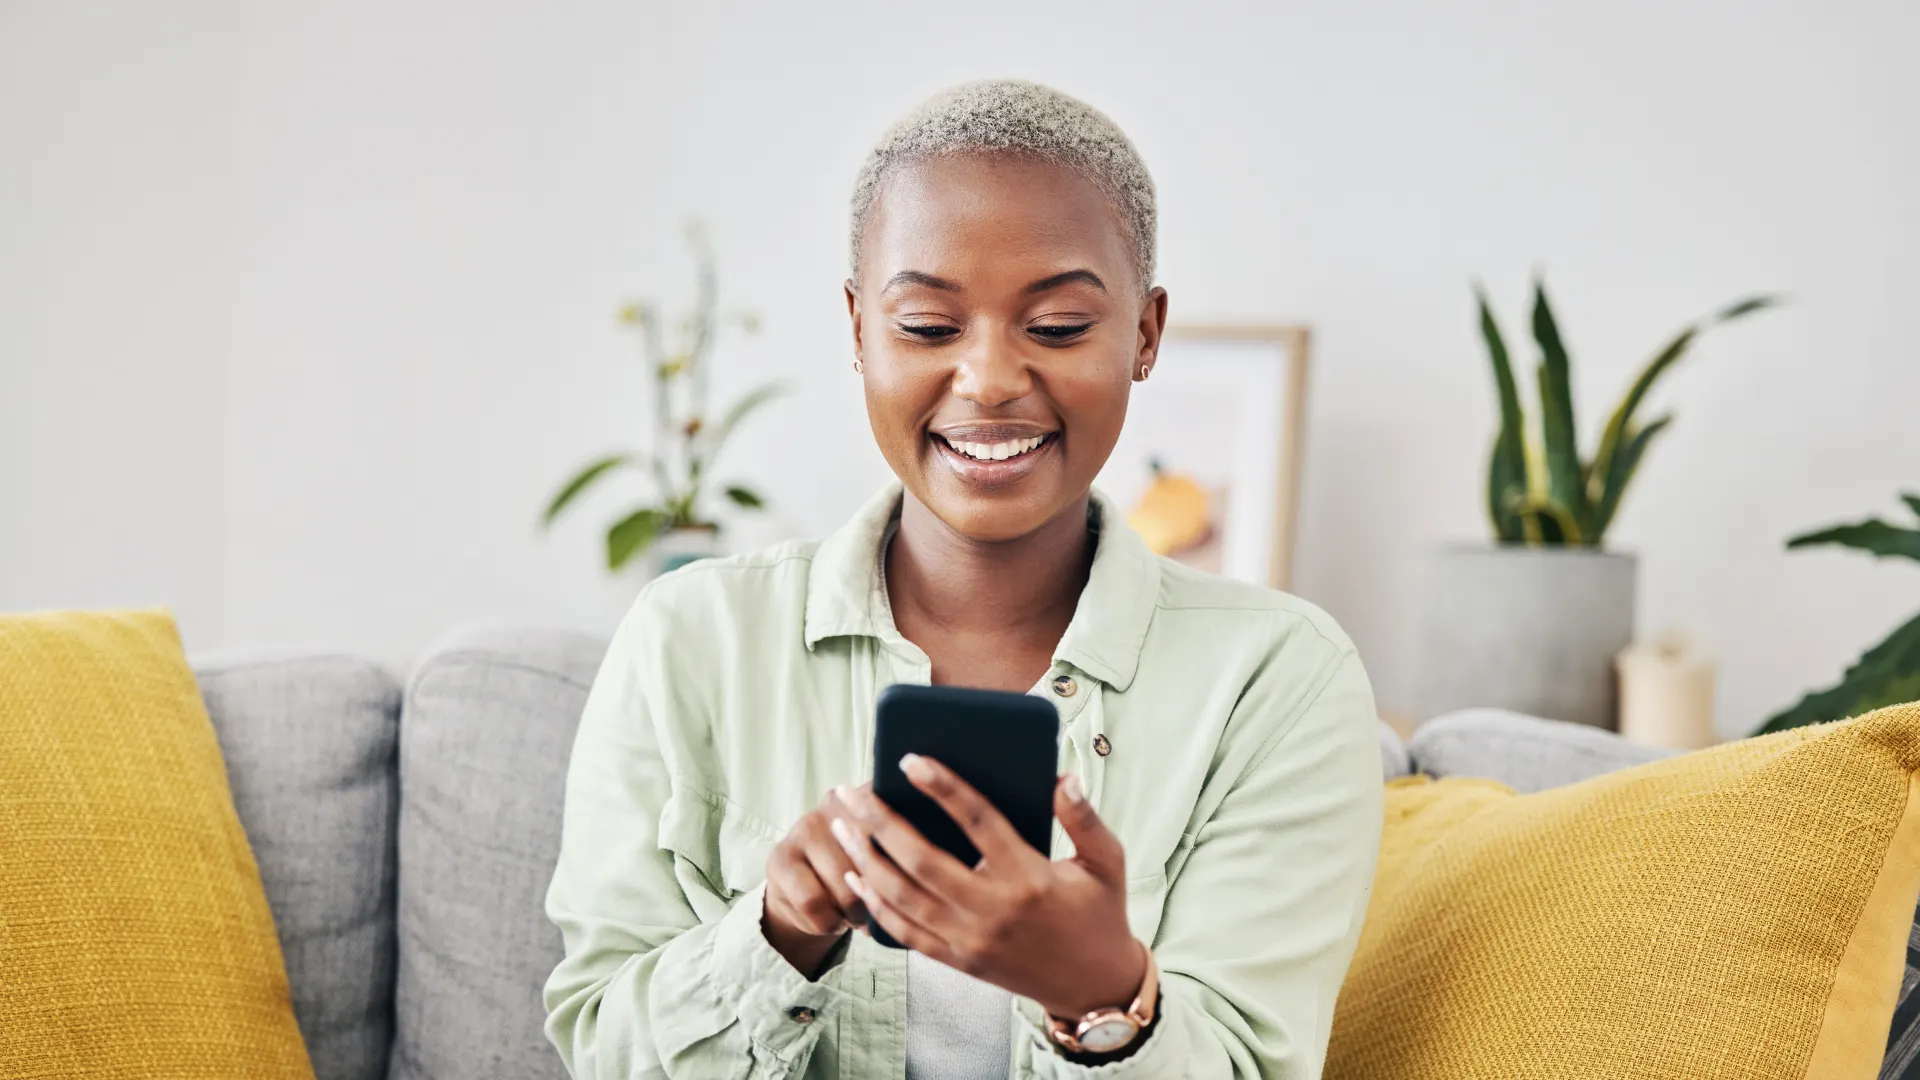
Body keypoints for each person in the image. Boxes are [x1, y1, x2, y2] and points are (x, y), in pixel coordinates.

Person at [542, 78, 1384, 1079]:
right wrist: (779, 934)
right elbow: (600, 1048)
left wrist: (1106, 998)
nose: (988, 379)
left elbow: (1260, 1063)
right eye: (930, 327)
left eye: (1060, 327)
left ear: (1146, 335)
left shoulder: (1278, 677)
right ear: (858, 330)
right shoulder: (690, 637)